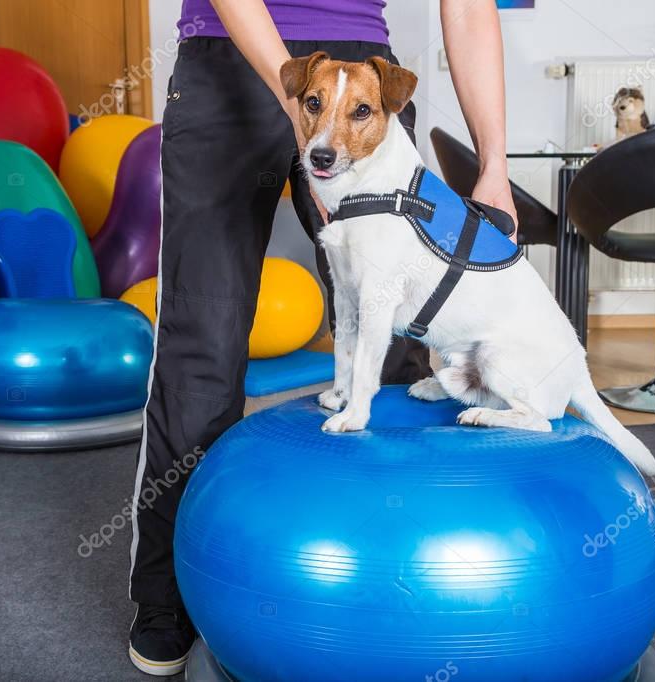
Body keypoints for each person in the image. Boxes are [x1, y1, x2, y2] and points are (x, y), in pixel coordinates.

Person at [128, 0, 516, 675]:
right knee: (203, 344)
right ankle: (171, 597)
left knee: (395, 338)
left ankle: (397, 578)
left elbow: (469, 8)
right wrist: (294, 102)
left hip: (362, 69)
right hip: (229, 62)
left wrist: (493, 164)